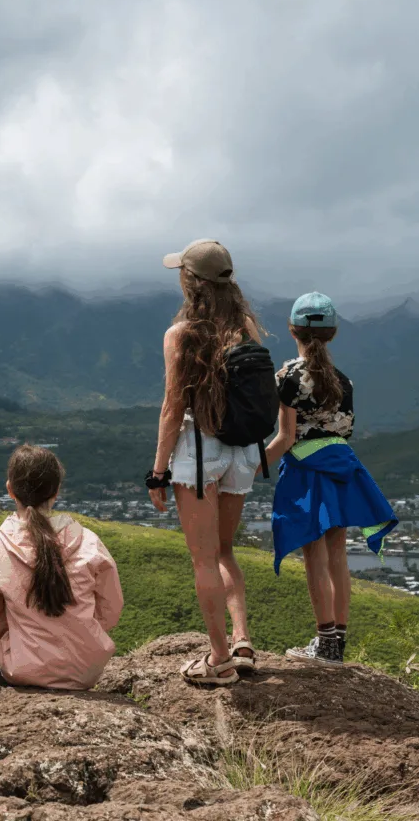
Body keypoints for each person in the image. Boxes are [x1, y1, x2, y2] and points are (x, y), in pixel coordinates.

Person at [147, 239, 263, 686]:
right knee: (226, 551)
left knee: (203, 559)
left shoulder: (182, 335)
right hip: (243, 450)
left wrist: (158, 472)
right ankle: (242, 641)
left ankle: (219, 662)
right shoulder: (248, 328)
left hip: (200, 450)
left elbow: (173, 409)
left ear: (190, 282)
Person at [262, 293, 398, 666]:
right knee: (338, 554)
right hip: (342, 467)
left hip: (307, 471)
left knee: (314, 554)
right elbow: (343, 432)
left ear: (293, 331)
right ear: (333, 334)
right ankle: (336, 642)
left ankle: (323, 642)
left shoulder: (289, 375)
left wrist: (252, 466)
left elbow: (286, 438)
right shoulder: (344, 381)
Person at [0, 444, 123, 690]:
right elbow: (111, 609)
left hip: (22, 670)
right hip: (84, 672)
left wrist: (17, 635)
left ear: (10, 490)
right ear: (56, 491)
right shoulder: (88, 541)